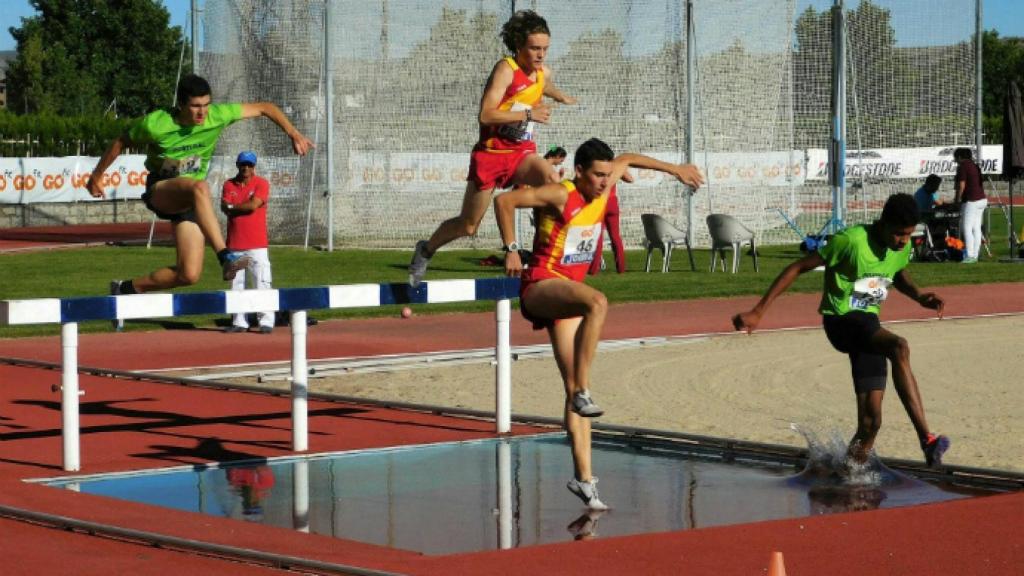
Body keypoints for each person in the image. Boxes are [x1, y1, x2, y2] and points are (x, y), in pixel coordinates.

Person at [494, 138, 703, 509]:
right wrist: (511, 248)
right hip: (541, 285)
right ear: (579, 172)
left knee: (572, 388)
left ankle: (584, 480)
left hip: (568, 294)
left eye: (608, 176)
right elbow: (504, 201)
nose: (605, 183)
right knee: (598, 301)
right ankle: (584, 390)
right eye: (597, 176)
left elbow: (630, 158)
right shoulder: (561, 193)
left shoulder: (608, 179)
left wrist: (678, 171)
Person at [732, 193, 951, 469]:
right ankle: (927, 440)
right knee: (899, 346)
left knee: (871, 424)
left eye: (908, 235)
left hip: (867, 327)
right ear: (882, 223)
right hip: (841, 321)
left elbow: (897, 272)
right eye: (898, 234)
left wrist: (919, 296)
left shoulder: (901, 247)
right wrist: (759, 311)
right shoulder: (850, 241)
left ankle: (848, 472)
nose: (903, 241)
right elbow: (798, 267)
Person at [88, 74, 312, 330]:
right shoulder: (155, 123)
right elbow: (120, 142)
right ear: (181, 104)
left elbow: (265, 107)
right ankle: (225, 256)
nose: (202, 112)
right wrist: (96, 176)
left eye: (206, 105)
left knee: (189, 274)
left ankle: (125, 288)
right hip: (162, 189)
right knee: (199, 186)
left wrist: (293, 133)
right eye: (195, 106)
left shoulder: (217, 115)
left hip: (193, 202)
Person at [408, 10, 576, 286]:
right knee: (468, 225)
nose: (541, 55)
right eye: (534, 48)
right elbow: (486, 114)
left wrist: (560, 95)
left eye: (545, 48)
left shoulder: (542, 72)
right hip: (491, 155)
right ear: (519, 45)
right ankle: (425, 250)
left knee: (552, 181)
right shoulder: (505, 69)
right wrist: (528, 115)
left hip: (521, 152)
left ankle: (542, 257)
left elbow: (544, 83)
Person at [221, 151, 274, 334]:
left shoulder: (261, 183)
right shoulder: (229, 184)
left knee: (262, 281)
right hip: (235, 243)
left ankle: (266, 321)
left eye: (249, 165)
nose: (246, 168)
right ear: (237, 165)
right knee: (236, 284)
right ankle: (239, 322)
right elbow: (223, 207)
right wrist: (238, 208)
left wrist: (233, 208)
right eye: (243, 164)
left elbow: (253, 205)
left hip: (257, 243)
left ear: (254, 167)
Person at [952, 147, 987, 263]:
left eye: (956, 158)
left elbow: (961, 186)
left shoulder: (963, 166)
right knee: (976, 227)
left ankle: (970, 255)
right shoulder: (974, 165)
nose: (955, 160)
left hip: (972, 200)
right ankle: (975, 255)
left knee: (966, 227)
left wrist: (957, 200)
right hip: (982, 199)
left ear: (960, 157)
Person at [588, 186, 626, 275]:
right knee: (615, 237)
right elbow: (628, 178)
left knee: (597, 236)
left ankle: (594, 269)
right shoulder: (615, 171)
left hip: (599, 201)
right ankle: (621, 269)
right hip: (612, 200)